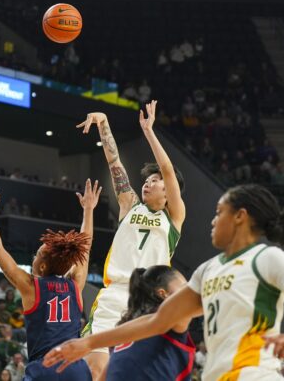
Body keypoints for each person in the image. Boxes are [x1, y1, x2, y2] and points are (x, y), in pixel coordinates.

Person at [44, 184, 284, 381]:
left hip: (256, 373)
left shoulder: (268, 258)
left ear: (240, 217)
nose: (212, 221)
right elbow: (157, 321)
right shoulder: (207, 270)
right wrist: (88, 342)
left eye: (219, 213)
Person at [75, 101, 186, 378]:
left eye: (155, 180)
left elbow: (169, 169)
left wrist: (148, 131)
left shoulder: (173, 217)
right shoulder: (130, 205)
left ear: (168, 190)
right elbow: (114, 162)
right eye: (147, 180)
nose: (148, 182)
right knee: (96, 369)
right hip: (114, 294)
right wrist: (103, 123)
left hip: (148, 301)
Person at [0, 178, 101, 380]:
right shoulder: (75, 284)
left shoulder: (31, 286)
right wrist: (88, 210)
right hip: (75, 369)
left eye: (37, 254)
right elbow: (84, 247)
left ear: (41, 266)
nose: (34, 257)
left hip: (45, 367)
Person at [103, 265, 194, 381]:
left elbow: (104, 376)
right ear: (163, 293)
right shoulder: (172, 320)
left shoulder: (128, 328)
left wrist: (89, 343)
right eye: (184, 287)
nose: (190, 290)